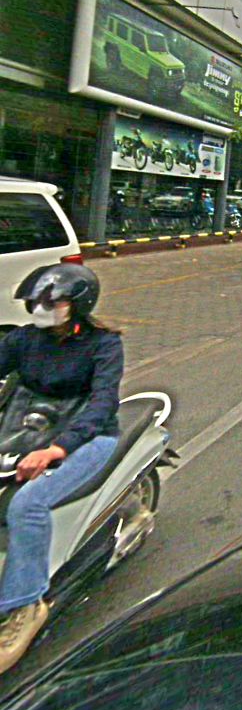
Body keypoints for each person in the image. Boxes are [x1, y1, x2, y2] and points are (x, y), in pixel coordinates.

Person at [0, 264, 122, 673]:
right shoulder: (25, 339)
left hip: (86, 436)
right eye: (36, 302)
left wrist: (57, 449)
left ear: (78, 305)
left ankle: (26, 604)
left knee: (27, 504)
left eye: (52, 302)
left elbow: (103, 402)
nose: (41, 308)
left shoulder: (103, 345)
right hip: (26, 428)